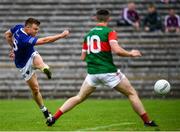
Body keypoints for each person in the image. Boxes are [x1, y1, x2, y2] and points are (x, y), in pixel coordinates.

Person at [46, 9, 158, 127]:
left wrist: (94, 57)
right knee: (132, 93)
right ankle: (147, 121)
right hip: (108, 71)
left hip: (93, 73)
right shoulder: (110, 32)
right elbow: (117, 50)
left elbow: (82, 57)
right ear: (108, 19)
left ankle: (54, 117)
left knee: (79, 97)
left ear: (96, 18)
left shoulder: (88, 34)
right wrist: (131, 53)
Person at [4, 18, 69, 120]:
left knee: (36, 58)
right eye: (35, 29)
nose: (36, 31)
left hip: (31, 55)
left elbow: (7, 34)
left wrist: (13, 48)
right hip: (23, 65)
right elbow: (45, 40)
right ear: (27, 27)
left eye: (37, 29)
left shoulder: (18, 27)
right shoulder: (24, 39)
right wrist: (61, 35)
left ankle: (44, 68)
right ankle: (44, 110)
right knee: (35, 89)